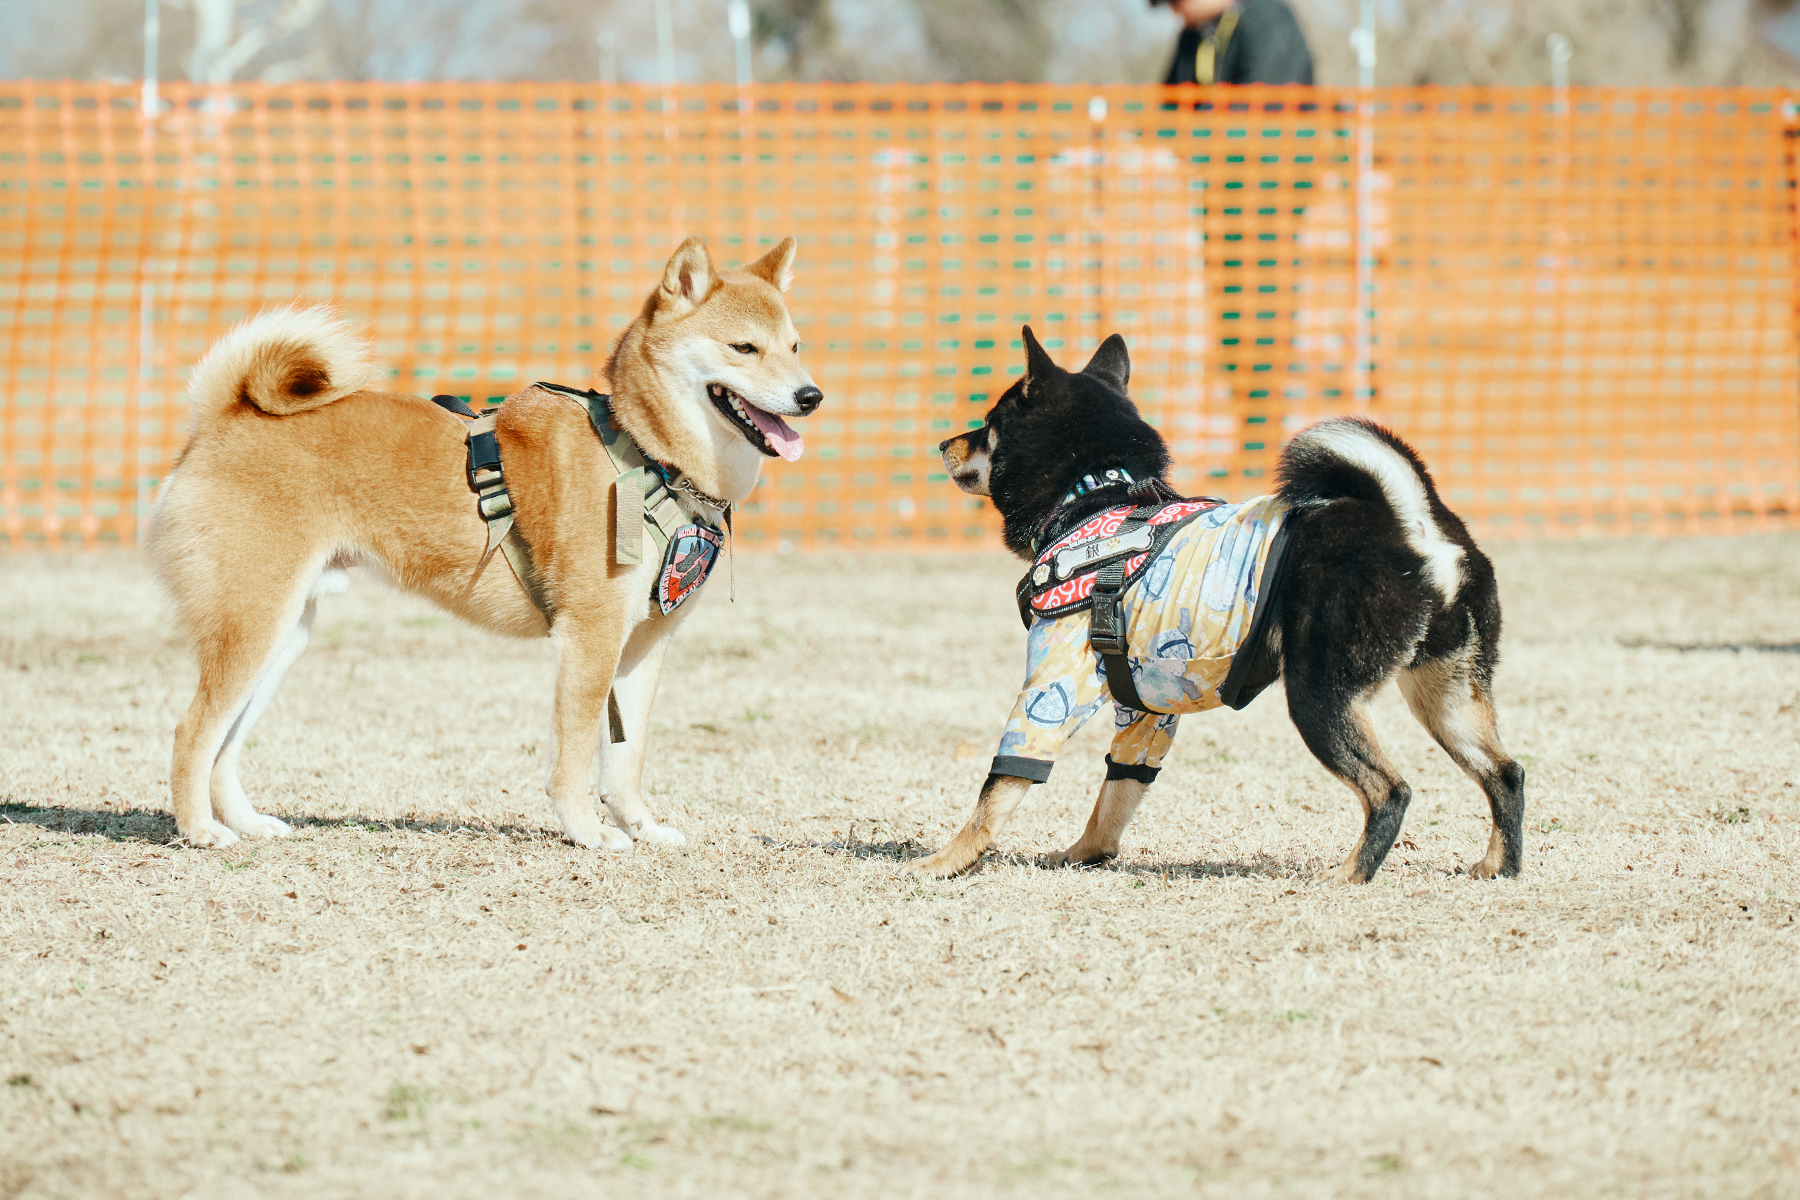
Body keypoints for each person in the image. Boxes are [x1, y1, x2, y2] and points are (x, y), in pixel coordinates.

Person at [1153, 0, 1314, 86]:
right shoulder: (1193, 34)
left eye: (1176, 2)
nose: (1174, 10)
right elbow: (1171, 98)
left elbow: (1270, 96)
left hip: (1275, 142)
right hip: (1209, 142)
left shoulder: (1268, 17)